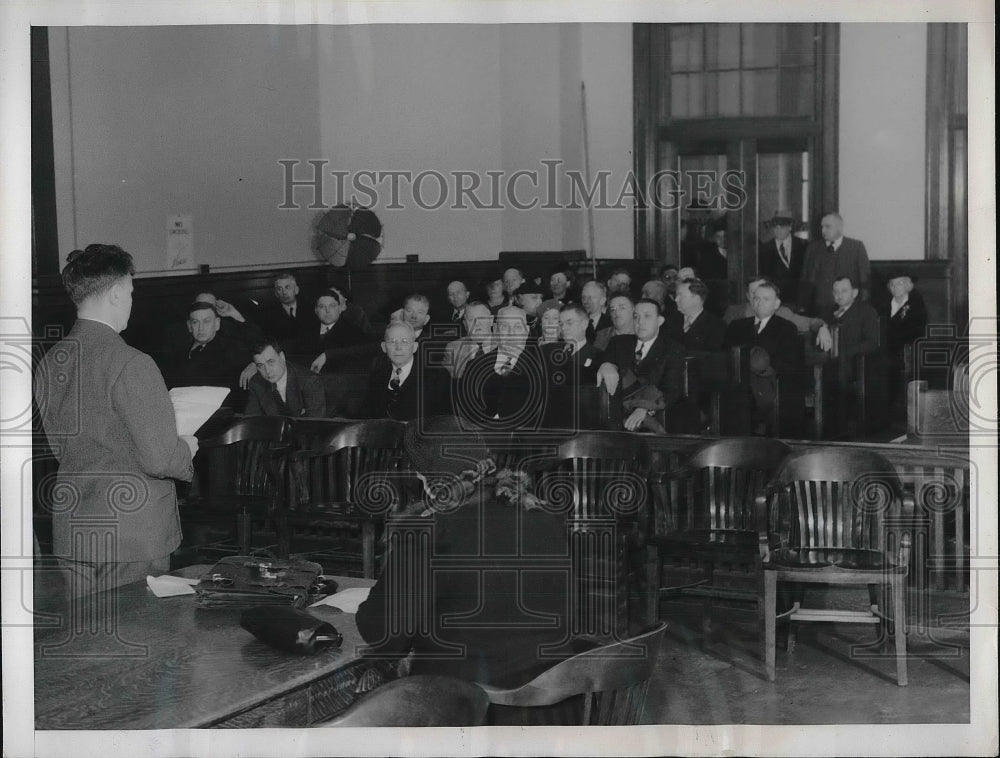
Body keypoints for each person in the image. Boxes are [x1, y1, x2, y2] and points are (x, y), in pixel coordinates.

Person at [356, 416, 576, 693]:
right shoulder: (544, 517)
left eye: (419, 474)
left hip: (463, 708)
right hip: (551, 700)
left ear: (429, 481)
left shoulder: (430, 531)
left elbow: (383, 635)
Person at [34, 244, 194, 597]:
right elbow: (159, 458)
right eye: (131, 292)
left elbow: (65, 448)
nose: (132, 301)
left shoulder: (50, 363)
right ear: (117, 291)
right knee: (143, 641)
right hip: (131, 536)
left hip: (74, 530)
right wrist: (187, 448)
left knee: (91, 640)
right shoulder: (132, 362)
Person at [596, 298, 693, 433]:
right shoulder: (618, 343)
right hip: (616, 415)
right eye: (636, 317)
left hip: (654, 415)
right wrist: (607, 365)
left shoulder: (673, 348)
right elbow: (607, 361)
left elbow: (671, 388)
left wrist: (644, 408)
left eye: (647, 316)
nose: (640, 322)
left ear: (660, 321)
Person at [724, 279, 805, 436]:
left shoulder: (786, 328)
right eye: (756, 298)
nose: (759, 302)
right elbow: (726, 356)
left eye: (766, 299)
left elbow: (789, 365)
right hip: (738, 383)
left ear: (776, 304)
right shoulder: (737, 326)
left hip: (768, 385)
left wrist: (760, 364)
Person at [813, 276, 884, 437]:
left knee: (837, 373)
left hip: (854, 365)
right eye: (835, 291)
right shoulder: (827, 312)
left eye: (844, 290)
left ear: (855, 292)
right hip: (828, 364)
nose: (839, 295)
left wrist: (846, 352)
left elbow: (872, 342)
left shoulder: (866, 311)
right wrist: (822, 327)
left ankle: (840, 429)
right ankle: (823, 428)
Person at [455, 306, 543, 428]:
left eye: (517, 327)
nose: (511, 334)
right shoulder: (475, 365)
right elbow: (466, 411)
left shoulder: (541, 366)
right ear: (496, 330)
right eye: (505, 327)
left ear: (526, 331)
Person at [365, 322, 447, 421]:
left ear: (415, 347)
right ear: (384, 347)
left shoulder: (436, 377)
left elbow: (444, 422)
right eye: (392, 341)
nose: (398, 347)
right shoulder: (377, 377)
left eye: (404, 341)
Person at [162, 301, 249, 392]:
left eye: (206, 321)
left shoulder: (233, 350)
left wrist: (254, 365)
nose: (201, 328)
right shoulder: (177, 353)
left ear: (217, 323)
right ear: (189, 326)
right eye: (195, 322)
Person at [542, 303, 603, 429]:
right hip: (547, 424)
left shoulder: (598, 356)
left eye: (569, 323)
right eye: (561, 323)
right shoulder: (548, 351)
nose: (564, 328)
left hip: (579, 425)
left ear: (584, 324)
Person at [799, 212, 871, 315]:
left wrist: (863, 307)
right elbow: (805, 279)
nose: (823, 230)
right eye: (822, 227)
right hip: (819, 311)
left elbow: (865, 281)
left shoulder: (856, 248)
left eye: (828, 226)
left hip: (849, 310)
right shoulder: (813, 248)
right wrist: (802, 307)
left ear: (840, 227)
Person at [879, 270, 928, 409]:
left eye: (900, 283)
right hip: (887, 349)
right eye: (892, 284)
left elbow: (918, 330)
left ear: (907, 285)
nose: (896, 287)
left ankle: (901, 407)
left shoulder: (916, 303)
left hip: (909, 350)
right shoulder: (884, 304)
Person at [244, 337, 326, 417]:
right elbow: (251, 422)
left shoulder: (310, 381)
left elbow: (315, 426)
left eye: (271, 362)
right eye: (260, 366)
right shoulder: (256, 383)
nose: (267, 371)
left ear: (282, 357)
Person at [298, 287, 371, 373]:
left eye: (332, 306)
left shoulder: (353, 332)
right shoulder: (305, 331)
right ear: (316, 310)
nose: (327, 311)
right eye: (322, 307)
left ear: (340, 309)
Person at [758, 209, 807, 305]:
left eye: (782, 227)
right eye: (775, 227)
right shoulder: (765, 248)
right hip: (776, 300)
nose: (778, 230)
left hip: (799, 299)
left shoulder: (803, 245)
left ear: (790, 227)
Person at [257, 271, 317, 342]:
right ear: (276, 294)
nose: (284, 292)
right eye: (280, 289)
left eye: (287, 287)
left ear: (296, 290)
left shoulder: (311, 309)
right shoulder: (268, 314)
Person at [443, 302, 494, 379]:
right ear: (465, 324)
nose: (477, 323)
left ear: (491, 320)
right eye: (471, 319)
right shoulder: (453, 349)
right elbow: (447, 385)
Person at [672, 278, 725, 353]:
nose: (676, 299)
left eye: (681, 295)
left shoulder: (716, 325)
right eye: (676, 295)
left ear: (697, 298)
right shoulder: (670, 320)